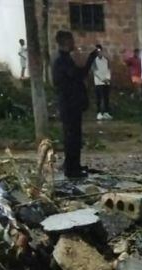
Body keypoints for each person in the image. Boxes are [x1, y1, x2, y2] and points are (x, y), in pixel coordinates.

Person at [52, 30, 98, 179]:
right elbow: (78, 76)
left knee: (74, 137)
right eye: (72, 41)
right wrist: (91, 59)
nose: (74, 44)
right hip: (69, 105)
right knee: (72, 137)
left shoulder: (65, 59)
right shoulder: (62, 61)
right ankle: (72, 170)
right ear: (66, 42)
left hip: (72, 104)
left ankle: (74, 165)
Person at [92, 44, 113, 120]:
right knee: (99, 98)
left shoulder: (105, 60)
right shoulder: (94, 60)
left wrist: (108, 78)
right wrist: (102, 79)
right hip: (98, 82)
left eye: (100, 51)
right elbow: (95, 71)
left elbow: (108, 69)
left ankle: (106, 112)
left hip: (106, 82)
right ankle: (99, 113)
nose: (99, 53)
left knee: (106, 97)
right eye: (97, 52)